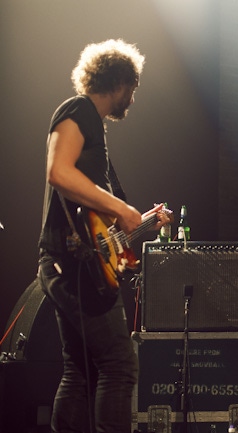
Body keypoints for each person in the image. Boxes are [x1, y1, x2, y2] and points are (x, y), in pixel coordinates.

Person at [37, 39, 170, 433]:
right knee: (119, 365)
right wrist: (123, 210)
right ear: (120, 81)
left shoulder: (97, 136)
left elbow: (102, 227)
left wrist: (141, 221)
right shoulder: (77, 110)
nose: (133, 96)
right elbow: (59, 172)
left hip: (79, 264)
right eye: (134, 87)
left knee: (81, 372)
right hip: (73, 266)